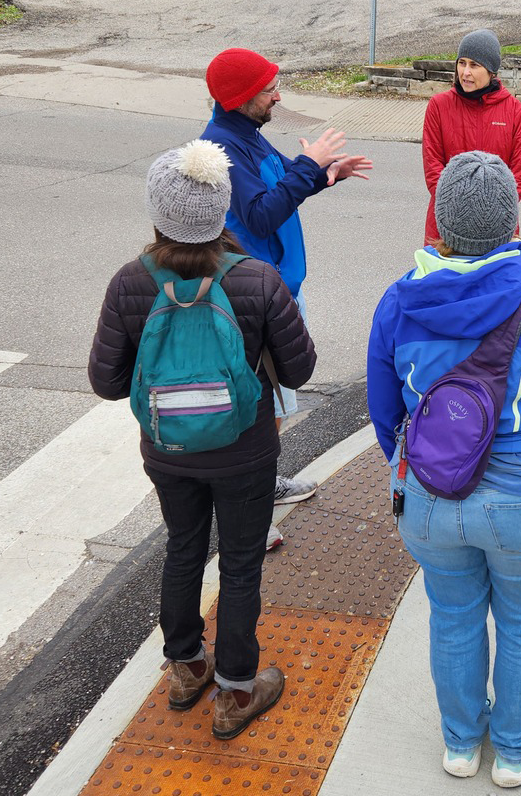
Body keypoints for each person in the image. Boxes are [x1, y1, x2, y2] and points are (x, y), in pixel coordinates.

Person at [367, 152, 521, 788]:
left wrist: (412, 472)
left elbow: (385, 413)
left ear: (440, 220)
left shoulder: (398, 300)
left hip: (432, 500)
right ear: (511, 221)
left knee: (453, 616)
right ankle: (516, 753)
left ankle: (462, 745)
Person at [88, 140, 316, 737]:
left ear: (158, 213)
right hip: (246, 452)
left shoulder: (129, 283)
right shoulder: (258, 280)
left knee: (183, 548)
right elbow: (299, 371)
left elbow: (106, 382)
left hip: (169, 453)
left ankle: (187, 667)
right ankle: (237, 692)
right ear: (221, 211)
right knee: (240, 566)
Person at [201, 48, 371, 546]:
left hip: (275, 291)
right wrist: (308, 166)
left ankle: (264, 488)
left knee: (275, 405)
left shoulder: (247, 136)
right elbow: (258, 216)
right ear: (238, 98)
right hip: (251, 299)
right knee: (256, 408)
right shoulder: (222, 149)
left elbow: (284, 186)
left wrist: (322, 173)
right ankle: (248, 513)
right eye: (268, 89)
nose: (278, 94)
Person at [422, 29, 521, 244]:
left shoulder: (513, 110)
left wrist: (490, 215)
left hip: (498, 227)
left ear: (491, 71)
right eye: (462, 63)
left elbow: (518, 173)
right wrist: (458, 214)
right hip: (447, 226)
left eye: (474, 65)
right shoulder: (439, 106)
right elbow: (433, 168)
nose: (466, 72)